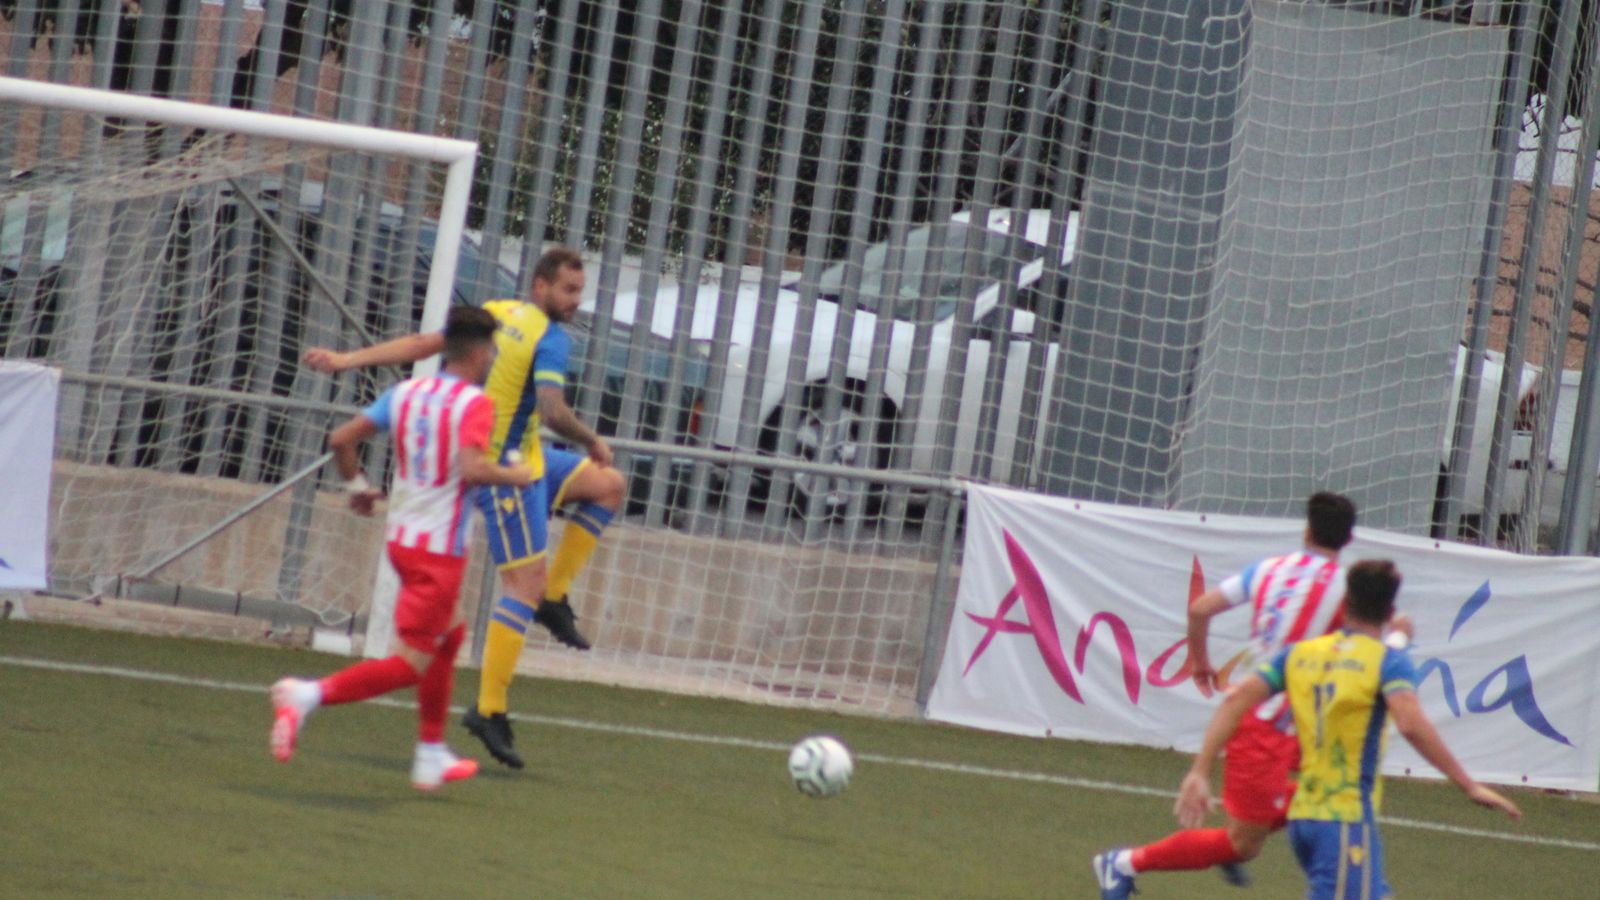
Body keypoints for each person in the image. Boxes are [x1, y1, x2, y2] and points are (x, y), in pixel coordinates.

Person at [302, 247, 624, 771]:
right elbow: (551, 408)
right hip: (503, 470)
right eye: (568, 290)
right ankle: (489, 708)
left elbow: (424, 342)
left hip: (534, 460)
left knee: (610, 485)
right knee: (521, 585)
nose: (576, 300)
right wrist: (591, 438)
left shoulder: (498, 312)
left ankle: (555, 598)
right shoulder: (550, 337)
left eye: (580, 291)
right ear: (540, 288)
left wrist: (347, 359)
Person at [269, 306, 532, 790]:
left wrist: (358, 487)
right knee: (410, 665)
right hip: (438, 555)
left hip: (402, 542)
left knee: (451, 634)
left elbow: (341, 439)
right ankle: (305, 695)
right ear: (479, 352)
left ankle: (431, 751)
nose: (494, 356)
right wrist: (517, 475)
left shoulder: (407, 392)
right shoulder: (475, 405)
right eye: (493, 349)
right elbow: (473, 470)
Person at [1175, 559, 1521, 898]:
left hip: (1305, 817)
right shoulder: (1388, 662)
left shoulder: (1300, 654)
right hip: (1343, 819)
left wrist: (1200, 769)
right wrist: (1468, 784)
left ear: (1344, 605)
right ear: (1388, 613)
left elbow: (1235, 702)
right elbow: (1410, 723)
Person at [1093, 491, 1374, 896]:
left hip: (1281, 720)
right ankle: (1121, 864)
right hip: (1269, 724)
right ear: (1348, 540)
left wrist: (1199, 661)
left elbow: (1199, 609)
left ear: (1307, 529)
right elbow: (1383, 630)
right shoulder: (1347, 590)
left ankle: (1238, 833)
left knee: (1329, 794)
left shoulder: (1269, 570)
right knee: (1245, 844)